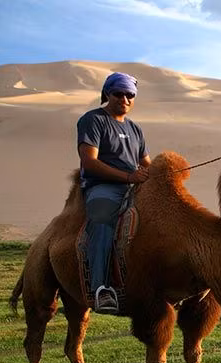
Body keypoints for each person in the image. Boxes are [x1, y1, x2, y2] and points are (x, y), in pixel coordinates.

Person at [76, 71, 151, 314]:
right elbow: (89, 162)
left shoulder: (135, 129)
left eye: (130, 95)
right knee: (101, 220)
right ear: (108, 93)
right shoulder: (93, 120)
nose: (125, 99)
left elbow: (146, 163)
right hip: (103, 187)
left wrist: (166, 171)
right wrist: (128, 176)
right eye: (119, 93)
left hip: (134, 188)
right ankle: (101, 289)